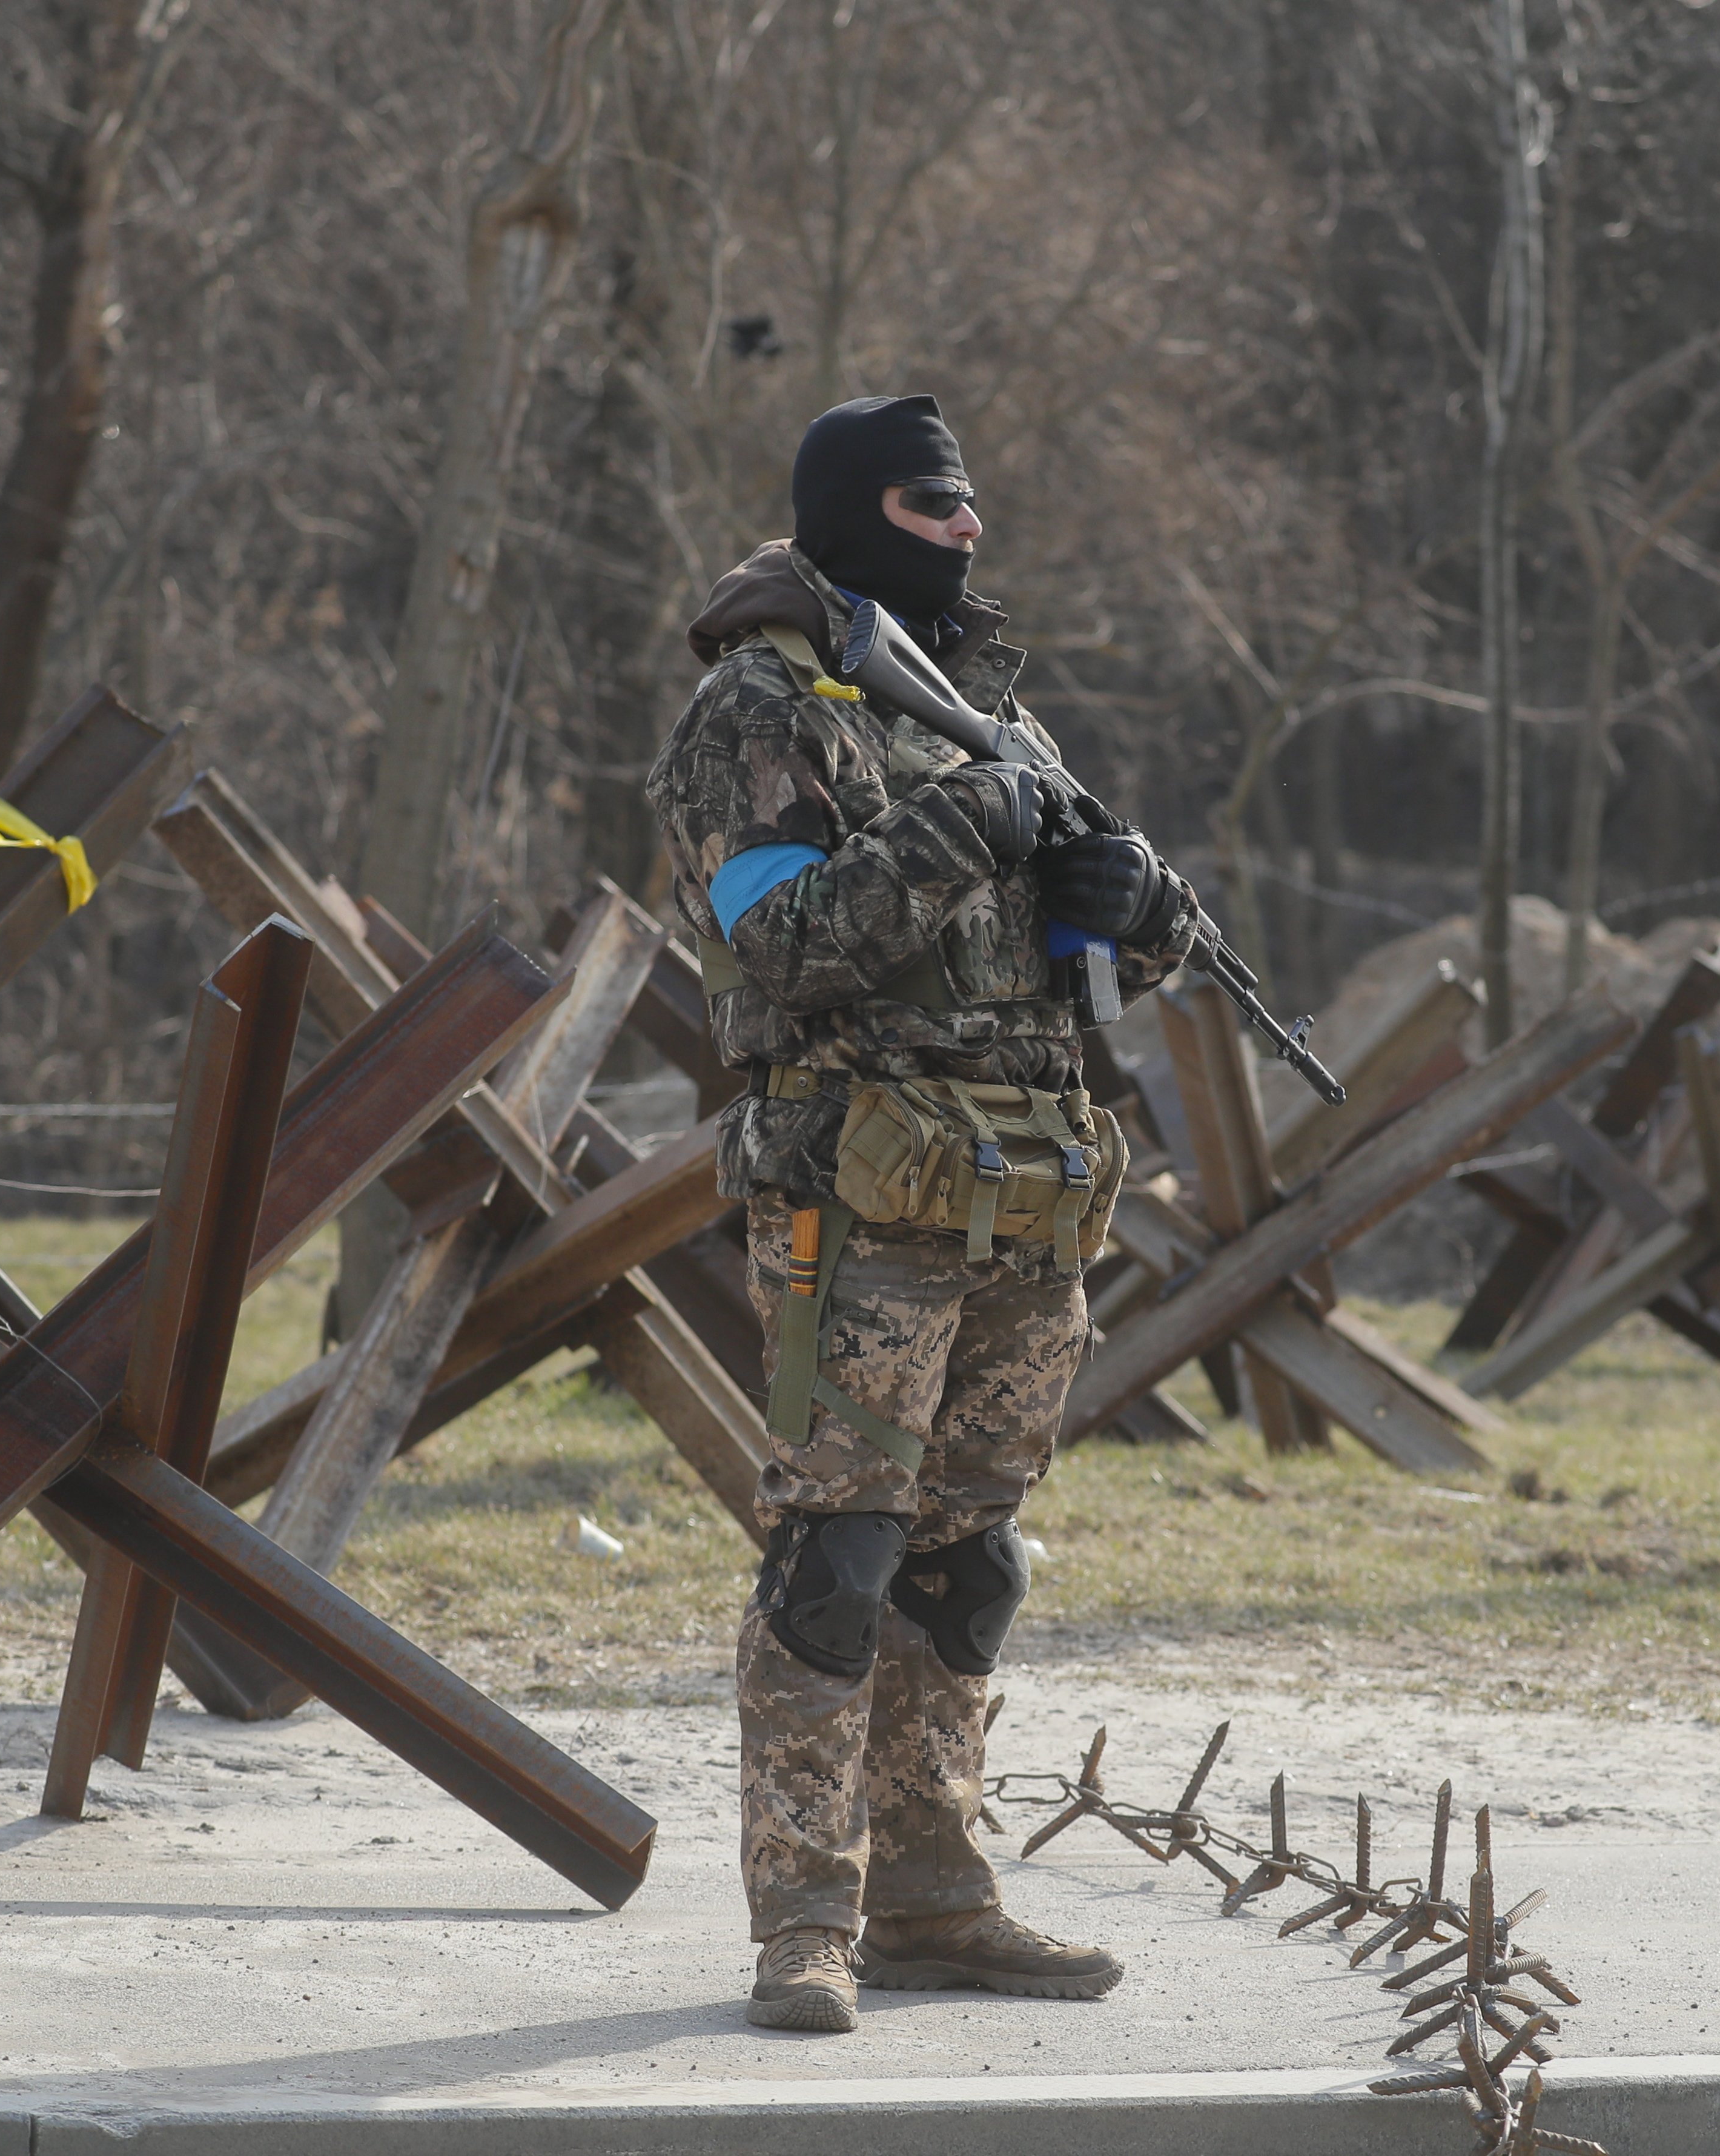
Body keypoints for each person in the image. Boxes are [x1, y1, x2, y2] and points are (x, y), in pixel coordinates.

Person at [646, 394, 1200, 2032]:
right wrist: (974, 821)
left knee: (968, 1568)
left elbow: (1106, 962)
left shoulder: (980, 709)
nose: (963, 528)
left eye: (968, 505)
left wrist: (1140, 909)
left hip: (1026, 1193)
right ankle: (806, 1920)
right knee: (840, 1553)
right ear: (847, 517)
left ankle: (938, 1900)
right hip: (858, 1194)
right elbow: (785, 948)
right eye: (923, 504)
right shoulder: (760, 711)